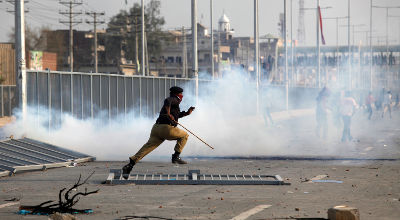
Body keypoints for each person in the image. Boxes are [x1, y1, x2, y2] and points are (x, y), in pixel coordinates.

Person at [122, 86, 195, 179]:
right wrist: (169, 114)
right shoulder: (174, 99)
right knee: (185, 135)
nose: (182, 96)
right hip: (166, 128)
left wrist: (187, 113)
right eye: (181, 94)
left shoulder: (174, 103)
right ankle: (176, 157)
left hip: (156, 129)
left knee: (147, 148)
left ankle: (129, 166)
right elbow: (167, 101)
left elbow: (176, 115)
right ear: (178, 94)